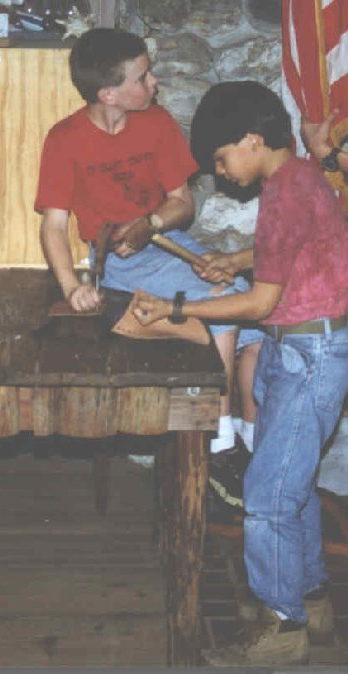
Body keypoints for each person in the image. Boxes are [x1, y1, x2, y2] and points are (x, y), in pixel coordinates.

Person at [131, 80, 348, 667]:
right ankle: (310, 599)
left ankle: (283, 627)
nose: (221, 172)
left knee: (268, 496)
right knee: (292, 486)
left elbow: (258, 302)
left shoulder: (286, 190)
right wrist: (232, 260)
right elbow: (293, 248)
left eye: (223, 158)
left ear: (252, 139)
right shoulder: (296, 178)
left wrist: (177, 307)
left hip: (309, 355)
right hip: (296, 348)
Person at [34, 27, 263, 495]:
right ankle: (219, 441)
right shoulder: (65, 138)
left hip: (168, 243)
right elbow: (54, 226)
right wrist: (71, 286)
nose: (154, 82)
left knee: (256, 323)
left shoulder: (156, 123)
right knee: (225, 304)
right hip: (119, 262)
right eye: (142, 77)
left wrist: (150, 223)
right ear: (109, 94)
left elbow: (182, 203)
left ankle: (253, 439)